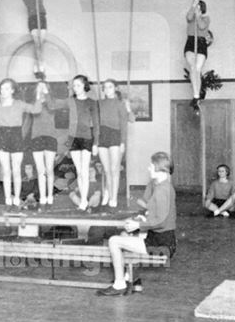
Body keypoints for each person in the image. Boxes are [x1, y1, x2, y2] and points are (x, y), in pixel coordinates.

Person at [96, 151, 176, 296]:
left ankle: (120, 284)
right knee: (124, 235)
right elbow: (155, 214)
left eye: (151, 166)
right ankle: (133, 278)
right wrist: (140, 220)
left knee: (114, 241)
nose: (148, 169)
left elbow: (162, 221)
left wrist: (138, 225)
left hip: (162, 243)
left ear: (160, 168)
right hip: (158, 238)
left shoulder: (163, 190)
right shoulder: (161, 186)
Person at [0, 78, 42, 207]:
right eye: (2, 88)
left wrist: (39, 94)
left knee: (16, 171)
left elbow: (36, 109)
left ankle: (17, 197)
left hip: (16, 136)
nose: (4, 91)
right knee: (6, 171)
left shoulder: (19, 104)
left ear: (12, 90)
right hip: (2, 138)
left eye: (7, 88)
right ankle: (8, 198)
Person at [26, 80, 66, 206]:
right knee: (40, 170)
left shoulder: (52, 103)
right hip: (36, 138)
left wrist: (46, 93)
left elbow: (52, 106)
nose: (42, 90)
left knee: (49, 169)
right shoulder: (33, 103)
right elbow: (35, 111)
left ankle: (50, 195)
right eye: (39, 88)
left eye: (44, 88)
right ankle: (42, 196)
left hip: (50, 138)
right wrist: (39, 96)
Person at [96, 79, 134, 208]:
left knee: (114, 169)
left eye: (110, 87)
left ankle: (114, 198)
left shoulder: (120, 103)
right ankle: (108, 191)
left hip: (115, 135)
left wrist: (122, 142)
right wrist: (95, 142)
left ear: (115, 88)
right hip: (102, 135)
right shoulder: (99, 103)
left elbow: (128, 121)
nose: (107, 90)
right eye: (105, 87)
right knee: (106, 170)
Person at [68, 74, 98, 212]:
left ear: (85, 86)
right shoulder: (70, 101)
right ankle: (83, 198)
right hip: (74, 138)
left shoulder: (91, 102)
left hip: (86, 138)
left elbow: (97, 124)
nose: (75, 88)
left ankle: (84, 200)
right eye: (74, 85)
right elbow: (53, 105)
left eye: (78, 85)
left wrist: (96, 143)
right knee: (79, 171)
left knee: (84, 171)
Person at [184, 0, 211, 112]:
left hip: (200, 43)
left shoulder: (206, 18)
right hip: (190, 42)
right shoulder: (191, 18)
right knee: (192, 68)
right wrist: (192, 6)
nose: (196, 10)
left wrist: (198, 15)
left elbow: (201, 26)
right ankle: (195, 95)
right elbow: (188, 17)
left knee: (198, 69)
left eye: (199, 8)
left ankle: (196, 96)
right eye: (196, 8)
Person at [23, 0, 47, 77]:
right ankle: (37, 66)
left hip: (41, 18)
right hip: (33, 19)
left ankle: (39, 65)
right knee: (37, 43)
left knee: (41, 44)